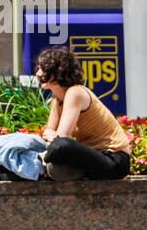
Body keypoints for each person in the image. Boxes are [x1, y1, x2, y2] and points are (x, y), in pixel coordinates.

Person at [35, 47, 131, 180]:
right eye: (38, 69)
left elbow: (61, 138)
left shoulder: (76, 93)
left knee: (61, 146)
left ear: (58, 73)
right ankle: (45, 166)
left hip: (114, 159)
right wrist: (52, 138)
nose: (38, 73)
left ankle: (41, 163)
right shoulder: (57, 99)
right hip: (92, 156)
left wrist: (53, 139)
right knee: (31, 150)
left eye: (43, 69)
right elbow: (49, 133)